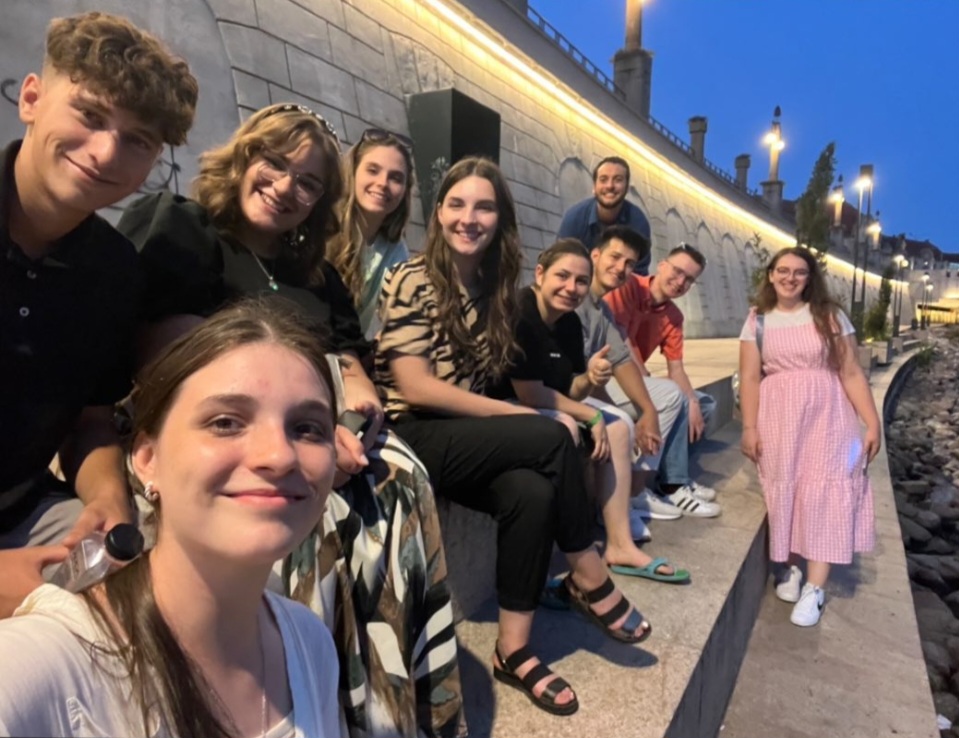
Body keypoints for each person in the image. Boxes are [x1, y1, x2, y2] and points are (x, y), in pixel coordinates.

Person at [117, 104, 461, 737]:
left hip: (321, 419)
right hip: (218, 426)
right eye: (274, 164)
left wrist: (350, 414)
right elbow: (178, 363)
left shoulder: (315, 274)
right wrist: (307, 431)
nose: (285, 187)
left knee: (402, 479)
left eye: (308, 183)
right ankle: (314, 701)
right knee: (318, 511)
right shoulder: (189, 230)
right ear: (244, 156)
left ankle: (390, 705)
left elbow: (350, 359)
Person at [376, 156, 651, 718]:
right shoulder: (412, 278)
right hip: (413, 430)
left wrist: (555, 406)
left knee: (533, 491)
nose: (468, 218)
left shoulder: (496, 290)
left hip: (469, 433)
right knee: (551, 438)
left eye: (484, 207)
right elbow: (414, 386)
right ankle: (589, 574)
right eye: (457, 204)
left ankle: (514, 649)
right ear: (438, 212)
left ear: (500, 218)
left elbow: (516, 380)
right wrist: (519, 416)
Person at [0, 299, 342, 737]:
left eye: (307, 428)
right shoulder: (47, 665)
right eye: (225, 422)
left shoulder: (309, 644)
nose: (279, 456)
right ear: (147, 459)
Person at [0, 11, 197, 616]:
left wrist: (110, 499)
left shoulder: (116, 271)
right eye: (89, 115)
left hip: (24, 511)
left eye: (138, 141)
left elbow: (89, 422)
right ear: (31, 99)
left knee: (162, 589)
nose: (107, 151)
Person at [502, 238, 689, 584]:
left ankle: (619, 545)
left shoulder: (570, 322)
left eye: (580, 282)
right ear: (540, 274)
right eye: (562, 277)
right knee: (568, 426)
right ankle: (567, 554)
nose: (571, 288)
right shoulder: (521, 311)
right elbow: (529, 392)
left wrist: (589, 379)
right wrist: (590, 414)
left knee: (619, 426)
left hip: (540, 400)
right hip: (503, 403)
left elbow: (568, 388)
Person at [739, 247, 879, 627]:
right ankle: (791, 567)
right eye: (783, 270)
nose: (790, 278)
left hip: (828, 415)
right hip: (779, 418)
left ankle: (815, 588)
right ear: (771, 275)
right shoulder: (757, 321)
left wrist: (872, 422)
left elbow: (851, 372)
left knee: (825, 493)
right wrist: (749, 427)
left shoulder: (829, 316)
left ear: (809, 278)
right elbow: (750, 377)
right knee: (787, 489)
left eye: (799, 272)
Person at [575, 225, 686, 524]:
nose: (621, 268)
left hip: (585, 387)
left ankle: (636, 492)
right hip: (564, 392)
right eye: (614, 257)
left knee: (673, 396)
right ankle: (616, 507)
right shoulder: (574, 298)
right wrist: (626, 411)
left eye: (629, 264)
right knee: (622, 421)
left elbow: (622, 360)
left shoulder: (602, 308)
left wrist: (647, 411)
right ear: (595, 255)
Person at [604, 243, 722, 517]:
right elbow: (622, 344)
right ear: (661, 266)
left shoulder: (673, 316)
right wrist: (653, 391)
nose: (680, 282)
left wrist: (692, 401)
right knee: (673, 397)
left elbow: (676, 368)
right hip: (609, 377)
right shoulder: (629, 287)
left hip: (635, 379)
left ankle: (668, 476)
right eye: (677, 272)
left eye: (689, 279)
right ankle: (673, 485)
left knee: (704, 404)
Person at [327, 127, 414, 338]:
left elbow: (400, 313)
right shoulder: (324, 224)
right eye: (373, 170)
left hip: (346, 349)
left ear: (405, 190)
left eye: (395, 178)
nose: (382, 183)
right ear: (353, 171)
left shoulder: (396, 250)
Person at [557, 156, 652, 275]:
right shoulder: (574, 218)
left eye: (618, 180)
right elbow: (560, 263)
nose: (610, 186)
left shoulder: (638, 223)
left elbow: (638, 274)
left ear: (627, 187)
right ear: (594, 187)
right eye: (603, 179)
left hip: (621, 283)